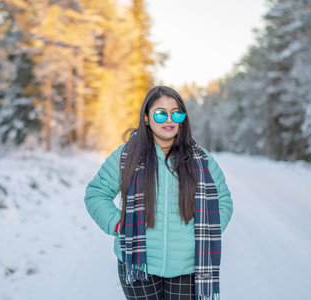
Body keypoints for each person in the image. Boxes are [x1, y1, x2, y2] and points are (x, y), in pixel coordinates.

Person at [84, 86, 233, 300]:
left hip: (187, 265)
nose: (169, 119)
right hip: (138, 264)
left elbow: (223, 200)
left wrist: (208, 231)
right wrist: (119, 224)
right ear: (146, 117)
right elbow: (96, 194)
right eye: (161, 113)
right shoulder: (126, 156)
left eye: (176, 113)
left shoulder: (202, 160)